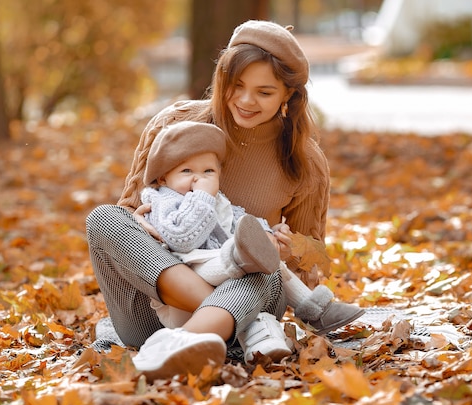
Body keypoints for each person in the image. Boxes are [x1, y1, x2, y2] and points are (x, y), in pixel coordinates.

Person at [85, 20, 363, 381]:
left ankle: (184, 342)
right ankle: (185, 337)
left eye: (264, 92)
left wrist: (286, 250)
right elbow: (128, 210)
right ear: (222, 79)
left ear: (288, 96)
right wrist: (139, 221)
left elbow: (308, 262)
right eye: (237, 86)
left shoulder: (305, 162)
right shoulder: (177, 123)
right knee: (104, 219)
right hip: (156, 315)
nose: (246, 101)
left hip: (245, 310)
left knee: (261, 262)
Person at [140, 120, 363, 362]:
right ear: (163, 178)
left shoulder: (220, 202)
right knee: (249, 257)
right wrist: (203, 196)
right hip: (185, 288)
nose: (198, 179)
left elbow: (245, 224)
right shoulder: (162, 201)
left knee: (262, 256)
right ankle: (246, 265)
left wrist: (271, 233)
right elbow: (182, 239)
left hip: (228, 289)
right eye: (187, 171)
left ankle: (314, 309)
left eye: (208, 172)